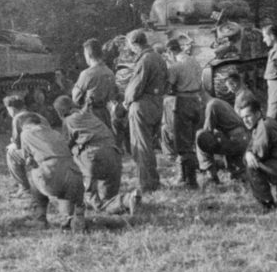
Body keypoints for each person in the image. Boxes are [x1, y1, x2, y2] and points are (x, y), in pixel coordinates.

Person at [54, 95, 141, 215]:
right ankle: (128, 200)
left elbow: (65, 147)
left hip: (94, 158)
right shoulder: (90, 116)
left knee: (95, 202)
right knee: (107, 200)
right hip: (114, 155)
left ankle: (118, 200)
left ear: (60, 112)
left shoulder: (68, 121)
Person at [19, 113, 86, 231]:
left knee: (34, 176)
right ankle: (70, 219)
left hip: (51, 175)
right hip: (74, 173)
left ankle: (40, 219)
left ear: (25, 125)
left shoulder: (26, 133)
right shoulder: (55, 133)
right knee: (66, 190)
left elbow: (28, 159)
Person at [123, 29, 168, 193]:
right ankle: (153, 179)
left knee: (141, 147)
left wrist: (125, 102)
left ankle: (147, 184)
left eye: (130, 45)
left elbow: (135, 88)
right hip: (157, 104)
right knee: (148, 145)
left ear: (135, 44)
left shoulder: (144, 60)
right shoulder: (158, 57)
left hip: (142, 106)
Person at [162, 39, 202, 188]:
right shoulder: (194, 61)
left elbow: (167, 88)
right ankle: (184, 176)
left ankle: (190, 181)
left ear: (170, 51)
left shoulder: (175, 66)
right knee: (190, 140)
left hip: (183, 101)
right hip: (196, 100)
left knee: (183, 143)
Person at [4, 94, 50, 199]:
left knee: (10, 152)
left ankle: (24, 188)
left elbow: (17, 144)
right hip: (50, 150)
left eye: (8, 110)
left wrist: (12, 143)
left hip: (37, 153)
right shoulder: (39, 116)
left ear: (12, 109)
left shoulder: (18, 118)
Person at [195, 97, 250, 183]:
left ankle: (210, 174)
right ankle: (239, 174)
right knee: (238, 176)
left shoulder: (211, 105)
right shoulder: (221, 103)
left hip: (233, 140)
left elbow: (207, 132)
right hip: (243, 139)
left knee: (200, 136)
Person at [72, 38, 118, 129]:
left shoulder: (87, 74)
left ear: (88, 54)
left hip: (90, 115)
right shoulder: (110, 72)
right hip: (106, 115)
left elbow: (76, 98)